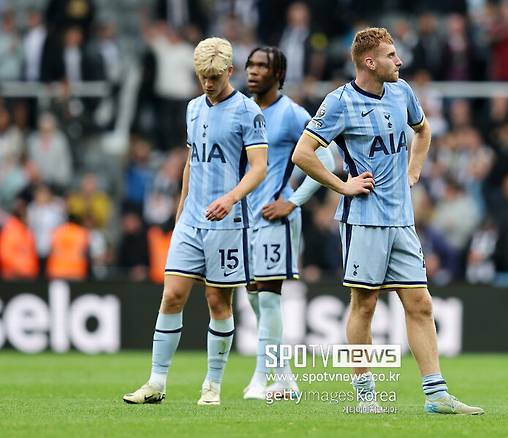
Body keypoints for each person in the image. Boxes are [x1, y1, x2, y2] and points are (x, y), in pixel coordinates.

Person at [291, 27, 483, 415]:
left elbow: (423, 131)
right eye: (392, 55)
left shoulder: (402, 92)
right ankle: (365, 397)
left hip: (402, 219)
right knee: (364, 305)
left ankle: (436, 395)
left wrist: (413, 172)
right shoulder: (340, 102)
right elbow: (303, 153)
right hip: (364, 220)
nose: (400, 61)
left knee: (420, 303)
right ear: (369, 61)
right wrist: (341, 186)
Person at [123, 37, 268, 405]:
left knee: (218, 302)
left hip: (229, 222)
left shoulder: (248, 112)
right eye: (202, 76)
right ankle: (156, 383)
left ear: (230, 72)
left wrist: (232, 197)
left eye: (214, 77)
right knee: (171, 295)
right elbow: (192, 162)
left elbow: (259, 168)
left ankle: (212, 385)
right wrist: (180, 209)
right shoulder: (192, 109)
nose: (207, 83)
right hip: (191, 221)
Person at [243, 46, 336, 400]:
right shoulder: (243, 110)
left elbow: (327, 157)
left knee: (268, 299)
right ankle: (284, 377)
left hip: (274, 217)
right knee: (254, 298)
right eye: (250, 64)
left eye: (261, 66)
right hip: (245, 217)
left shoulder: (294, 114)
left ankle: (260, 379)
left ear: (278, 74)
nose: (252, 71)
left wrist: (292, 201)